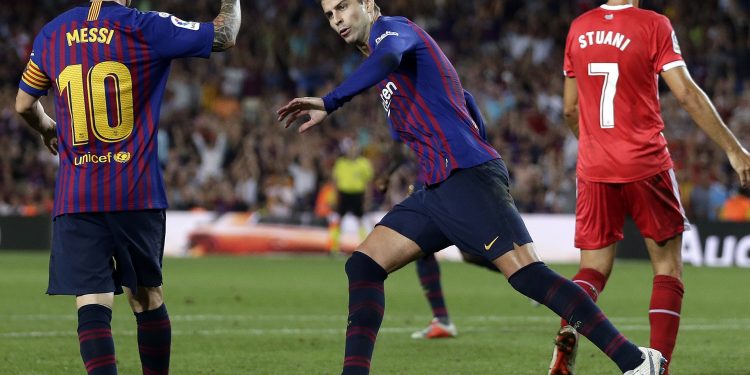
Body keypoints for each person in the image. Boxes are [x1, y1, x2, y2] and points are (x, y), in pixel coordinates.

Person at [277, 1, 665, 374]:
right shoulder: (380, 63)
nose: (337, 19)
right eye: (329, 14)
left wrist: (331, 101)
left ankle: (635, 361)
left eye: (344, 7)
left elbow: (391, 57)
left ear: (368, 3)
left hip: (465, 175)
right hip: (436, 189)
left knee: (528, 275)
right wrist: (471, 138)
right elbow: (466, 99)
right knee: (363, 264)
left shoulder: (392, 30)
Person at [14, 1, 240, 374]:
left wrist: (48, 129)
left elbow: (24, 104)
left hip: (77, 193)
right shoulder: (144, 26)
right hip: (134, 189)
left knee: (92, 300)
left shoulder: (53, 32)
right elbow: (225, 34)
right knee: (146, 297)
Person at [550, 1, 750, 374]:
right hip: (645, 163)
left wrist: (596, 146)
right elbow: (687, 94)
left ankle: (567, 333)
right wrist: (733, 149)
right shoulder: (653, 25)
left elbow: (569, 109)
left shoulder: (578, 27)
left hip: (594, 168)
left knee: (592, 270)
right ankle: (658, 364)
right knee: (668, 267)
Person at [330, 139, 374, 253]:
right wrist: (334, 197)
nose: (353, 151)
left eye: (354, 148)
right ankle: (334, 247)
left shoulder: (364, 163)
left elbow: (368, 183)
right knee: (338, 219)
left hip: (358, 194)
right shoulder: (340, 163)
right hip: (343, 194)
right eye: (350, 149)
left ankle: (365, 247)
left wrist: (367, 200)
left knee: (361, 220)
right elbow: (335, 182)